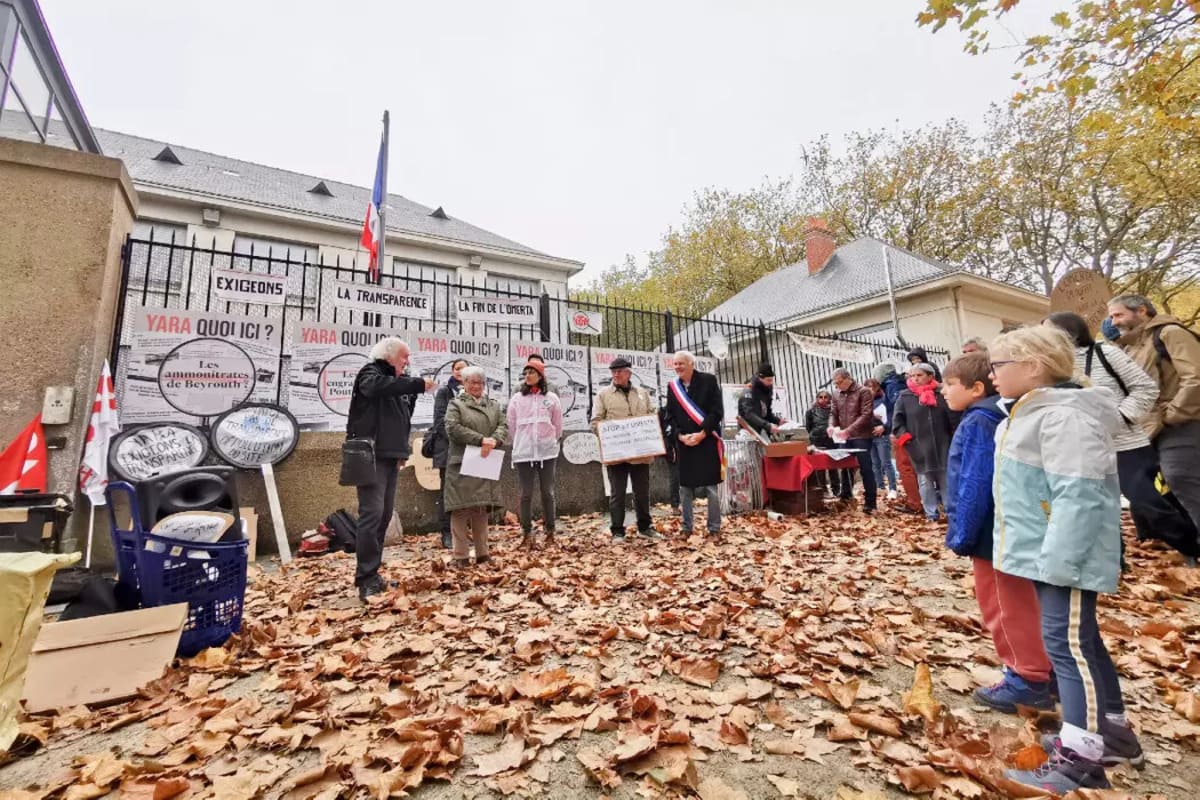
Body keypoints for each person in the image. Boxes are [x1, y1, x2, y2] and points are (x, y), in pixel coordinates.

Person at [990, 326, 1141, 792]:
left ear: (1033, 367)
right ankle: (1111, 731)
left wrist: (1061, 559)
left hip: (1063, 555)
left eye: (998, 366)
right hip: (1046, 551)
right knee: (1081, 642)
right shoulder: (1030, 413)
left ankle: (1081, 756)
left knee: (1067, 646)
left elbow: (1079, 494)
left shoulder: (1063, 417)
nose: (991, 374)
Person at [941, 352, 1054, 713]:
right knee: (1024, 600)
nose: (943, 391)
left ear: (976, 388)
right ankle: (1043, 669)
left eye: (949, 384)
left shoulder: (977, 421)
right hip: (1014, 523)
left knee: (1003, 605)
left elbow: (973, 479)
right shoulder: (1005, 413)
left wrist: (961, 533)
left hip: (990, 529)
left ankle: (1027, 678)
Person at [1044, 312, 1198, 561]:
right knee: (1097, 505)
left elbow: (1146, 388)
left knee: (1149, 502)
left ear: (1068, 333)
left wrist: (1120, 417)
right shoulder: (1051, 367)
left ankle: (1191, 546)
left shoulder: (1106, 353)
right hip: (1083, 449)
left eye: (1047, 330)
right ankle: (1115, 560)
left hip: (1125, 444)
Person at [1108, 294, 1200, 556]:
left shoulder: (1170, 333)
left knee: (1180, 478)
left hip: (1182, 423)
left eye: (1118, 315)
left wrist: (1173, 413)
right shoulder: (1132, 346)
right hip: (1148, 427)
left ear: (1143, 311)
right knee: (1144, 484)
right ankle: (1184, 544)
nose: (1114, 321)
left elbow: (1195, 377)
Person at [346, 337, 435, 600]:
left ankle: (371, 573)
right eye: (404, 357)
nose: (407, 362)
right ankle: (366, 579)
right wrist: (417, 384)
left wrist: (401, 451)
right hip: (370, 455)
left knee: (384, 515)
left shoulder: (397, 384)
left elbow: (401, 419)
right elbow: (376, 388)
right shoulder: (371, 372)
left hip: (390, 455)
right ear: (388, 355)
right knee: (372, 514)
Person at [443, 366, 508, 568]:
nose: (477, 386)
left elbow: (503, 426)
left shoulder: (494, 405)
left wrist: (494, 441)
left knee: (481, 508)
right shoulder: (456, 404)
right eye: (473, 382)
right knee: (460, 509)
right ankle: (461, 555)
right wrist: (481, 440)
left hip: (485, 460)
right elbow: (452, 428)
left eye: (480, 382)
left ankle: (483, 554)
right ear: (464, 383)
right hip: (463, 462)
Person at [592, 357, 659, 541]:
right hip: (617, 454)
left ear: (629, 373)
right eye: (613, 371)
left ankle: (645, 527)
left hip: (640, 453)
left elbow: (652, 415)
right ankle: (617, 531)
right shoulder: (603, 395)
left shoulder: (642, 393)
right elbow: (595, 421)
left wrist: (652, 427)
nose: (615, 374)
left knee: (642, 492)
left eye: (620, 371)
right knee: (617, 493)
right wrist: (608, 433)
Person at [665, 350, 724, 536]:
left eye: (681, 363)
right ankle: (686, 527)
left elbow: (717, 412)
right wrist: (679, 436)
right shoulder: (673, 387)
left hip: (706, 441)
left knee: (711, 489)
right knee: (685, 489)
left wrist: (702, 433)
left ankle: (714, 528)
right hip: (685, 443)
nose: (677, 367)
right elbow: (670, 416)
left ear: (691, 364)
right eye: (675, 364)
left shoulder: (708, 380)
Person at [507, 357, 563, 547]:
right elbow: (512, 425)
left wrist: (550, 440)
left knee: (548, 492)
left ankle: (550, 530)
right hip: (524, 453)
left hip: (547, 452)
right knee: (526, 493)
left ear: (540, 375)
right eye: (526, 373)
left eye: (531, 372)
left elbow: (558, 425)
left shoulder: (552, 398)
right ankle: (526, 532)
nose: (527, 376)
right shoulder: (517, 398)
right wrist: (521, 443)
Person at [892, 363, 956, 522]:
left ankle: (951, 513)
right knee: (925, 482)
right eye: (912, 376)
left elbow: (953, 417)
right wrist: (906, 439)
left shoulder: (942, 393)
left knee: (946, 481)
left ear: (930, 376)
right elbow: (897, 423)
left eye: (919, 375)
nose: (915, 379)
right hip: (919, 446)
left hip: (943, 446)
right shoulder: (905, 397)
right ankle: (931, 514)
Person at [430, 358, 468, 549]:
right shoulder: (445, 392)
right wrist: (457, 440)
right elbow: (439, 421)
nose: (460, 372)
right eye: (456, 368)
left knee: (465, 493)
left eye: (463, 368)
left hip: (469, 452)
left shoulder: (472, 393)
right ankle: (446, 533)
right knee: (447, 493)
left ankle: (462, 532)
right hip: (448, 451)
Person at [829, 368, 878, 514]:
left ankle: (870, 502)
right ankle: (845, 496)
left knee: (866, 468)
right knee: (844, 467)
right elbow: (833, 413)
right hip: (843, 436)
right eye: (835, 384)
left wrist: (848, 430)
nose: (837, 386)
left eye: (839, 382)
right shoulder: (836, 394)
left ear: (848, 379)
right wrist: (831, 426)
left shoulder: (863, 391)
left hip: (861, 436)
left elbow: (866, 414)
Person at [876, 363, 921, 513]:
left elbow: (896, 410)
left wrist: (892, 428)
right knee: (915, 467)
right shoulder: (903, 383)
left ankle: (914, 503)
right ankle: (923, 500)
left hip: (901, 431)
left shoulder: (891, 386)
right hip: (915, 429)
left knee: (905, 466)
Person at [804, 390, 844, 495]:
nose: (823, 399)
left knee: (833, 465)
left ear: (829, 398)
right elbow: (809, 427)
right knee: (820, 466)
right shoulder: (811, 411)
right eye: (820, 397)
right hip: (817, 440)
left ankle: (836, 489)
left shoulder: (834, 411)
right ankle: (822, 489)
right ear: (817, 398)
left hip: (831, 440)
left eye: (825, 397)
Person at [864, 378, 898, 500]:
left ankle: (893, 488)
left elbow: (891, 416)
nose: (870, 390)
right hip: (869, 435)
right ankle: (880, 487)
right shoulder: (864, 402)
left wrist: (884, 427)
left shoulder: (884, 399)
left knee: (886, 462)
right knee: (875, 463)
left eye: (872, 387)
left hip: (882, 435)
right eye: (867, 387)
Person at [738, 363, 784, 438]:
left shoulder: (766, 391)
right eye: (768, 380)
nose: (771, 383)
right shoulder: (749, 391)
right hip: (748, 432)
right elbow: (749, 414)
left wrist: (778, 421)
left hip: (761, 431)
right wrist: (767, 425)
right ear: (760, 378)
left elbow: (766, 413)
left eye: (772, 380)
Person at [659, 405, 681, 511]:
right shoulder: (663, 412)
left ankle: (685, 504)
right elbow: (660, 431)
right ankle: (675, 505)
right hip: (672, 448)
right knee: (675, 477)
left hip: (686, 445)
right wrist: (667, 448)